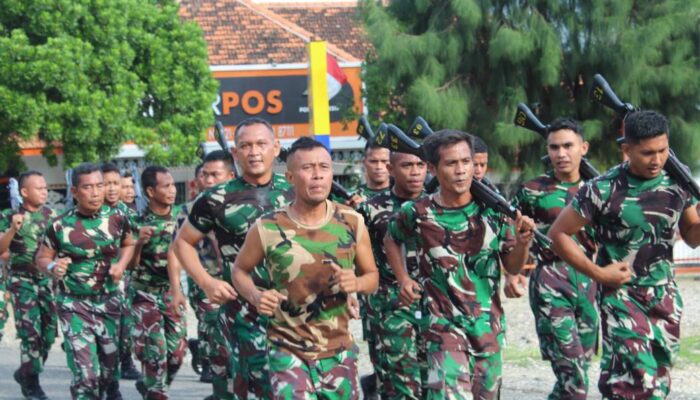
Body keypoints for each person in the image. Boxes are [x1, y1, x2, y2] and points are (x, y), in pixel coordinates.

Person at [549, 110, 700, 399]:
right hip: (622, 296)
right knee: (636, 377)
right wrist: (598, 273)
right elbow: (558, 234)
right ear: (626, 149)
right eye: (647, 153)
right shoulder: (603, 189)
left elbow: (693, 237)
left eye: (663, 150)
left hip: (664, 294)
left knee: (658, 377)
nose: (656, 160)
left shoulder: (678, 184)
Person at [384, 130, 536, 399]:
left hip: (487, 331)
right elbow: (391, 239)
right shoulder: (417, 212)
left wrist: (523, 242)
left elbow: (512, 268)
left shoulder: (494, 212)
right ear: (433, 168)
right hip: (441, 333)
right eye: (451, 163)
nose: (461, 170)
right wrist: (403, 278)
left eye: (466, 162)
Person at [231, 136, 378, 399]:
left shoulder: (352, 221)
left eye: (324, 167)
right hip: (287, 350)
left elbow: (372, 277)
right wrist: (256, 296)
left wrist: (356, 284)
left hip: (339, 352)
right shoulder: (267, 227)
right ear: (289, 177)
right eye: (307, 168)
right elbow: (239, 270)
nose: (317, 175)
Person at [173, 117, 294, 399]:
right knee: (255, 380)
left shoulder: (295, 190)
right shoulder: (216, 198)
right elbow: (184, 243)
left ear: (275, 148)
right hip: (243, 310)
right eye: (245, 146)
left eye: (261, 144)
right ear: (235, 153)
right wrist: (206, 282)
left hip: (295, 307)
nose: (254, 152)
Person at [510, 118, 598, 399]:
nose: (561, 153)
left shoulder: (600, 188)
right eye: (554, 147)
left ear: (583, 147)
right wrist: (514, 273)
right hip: (550, 280)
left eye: (568, 146)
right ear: (546, 151)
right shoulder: (532, 190)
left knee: (578, 369)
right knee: (574, 376)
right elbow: (512, 235)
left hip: (590, 280)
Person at [36, 162, 135, 400]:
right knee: (86, 375)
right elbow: (42, 257)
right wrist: (53, 266)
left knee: (110, 369)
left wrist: (120, 265)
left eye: (99, 186)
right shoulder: (60, 225)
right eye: (88, 187)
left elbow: (129, 243)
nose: (96, 192)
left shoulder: (118, 218)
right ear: (74, 192)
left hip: (110, 302)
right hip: (74, 305)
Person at [357, 150, 427, 399]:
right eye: (407, 165)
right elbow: (356, 259)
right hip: (389, 309)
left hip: (435, 307)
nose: (415, 171)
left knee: (436, 382)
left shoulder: (437, 203)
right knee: (400, 386)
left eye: (420, 165)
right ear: (390, 169)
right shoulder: (369, 209)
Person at [177, 151, 235, 399]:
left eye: (215, 175)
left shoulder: (246, 204)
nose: (209, 180)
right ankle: (222, 391)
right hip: (208, 284)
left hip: (245, 285)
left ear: (230, 176)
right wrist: (178, 288)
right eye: (205, 175)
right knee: (218, 343)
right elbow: (178, 248)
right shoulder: (190, 209)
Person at [129, 166, 187, 399]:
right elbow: (130, 265)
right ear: (151, 191)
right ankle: (156, 390)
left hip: (172, 292)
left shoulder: (184, 219)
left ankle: (153, 385)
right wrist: (139, 243)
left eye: (173, 185)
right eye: (166, 186)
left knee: (176, 354)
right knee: (155, 353)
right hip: (145, 295)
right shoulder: (137, 222)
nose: (172, 190)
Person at [0, 171, 58, 399]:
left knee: (50, 332)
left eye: (45, 187)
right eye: (39, 188)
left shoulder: (53, 216)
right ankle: (32, 383)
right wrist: (13, 229)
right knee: (30, 333)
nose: (44, 191)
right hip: (21, 281)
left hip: (47, 281)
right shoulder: (9, 215)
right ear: (24, 192)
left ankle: (26, 371)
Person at [101, 163, 142, 381]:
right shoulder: (95, 212)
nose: (112, 189)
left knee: (126, 323)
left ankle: (125, 362)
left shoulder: (128, 211)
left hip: (125, 277)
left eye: (115, 183)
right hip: (99, 279)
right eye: (107, 184)